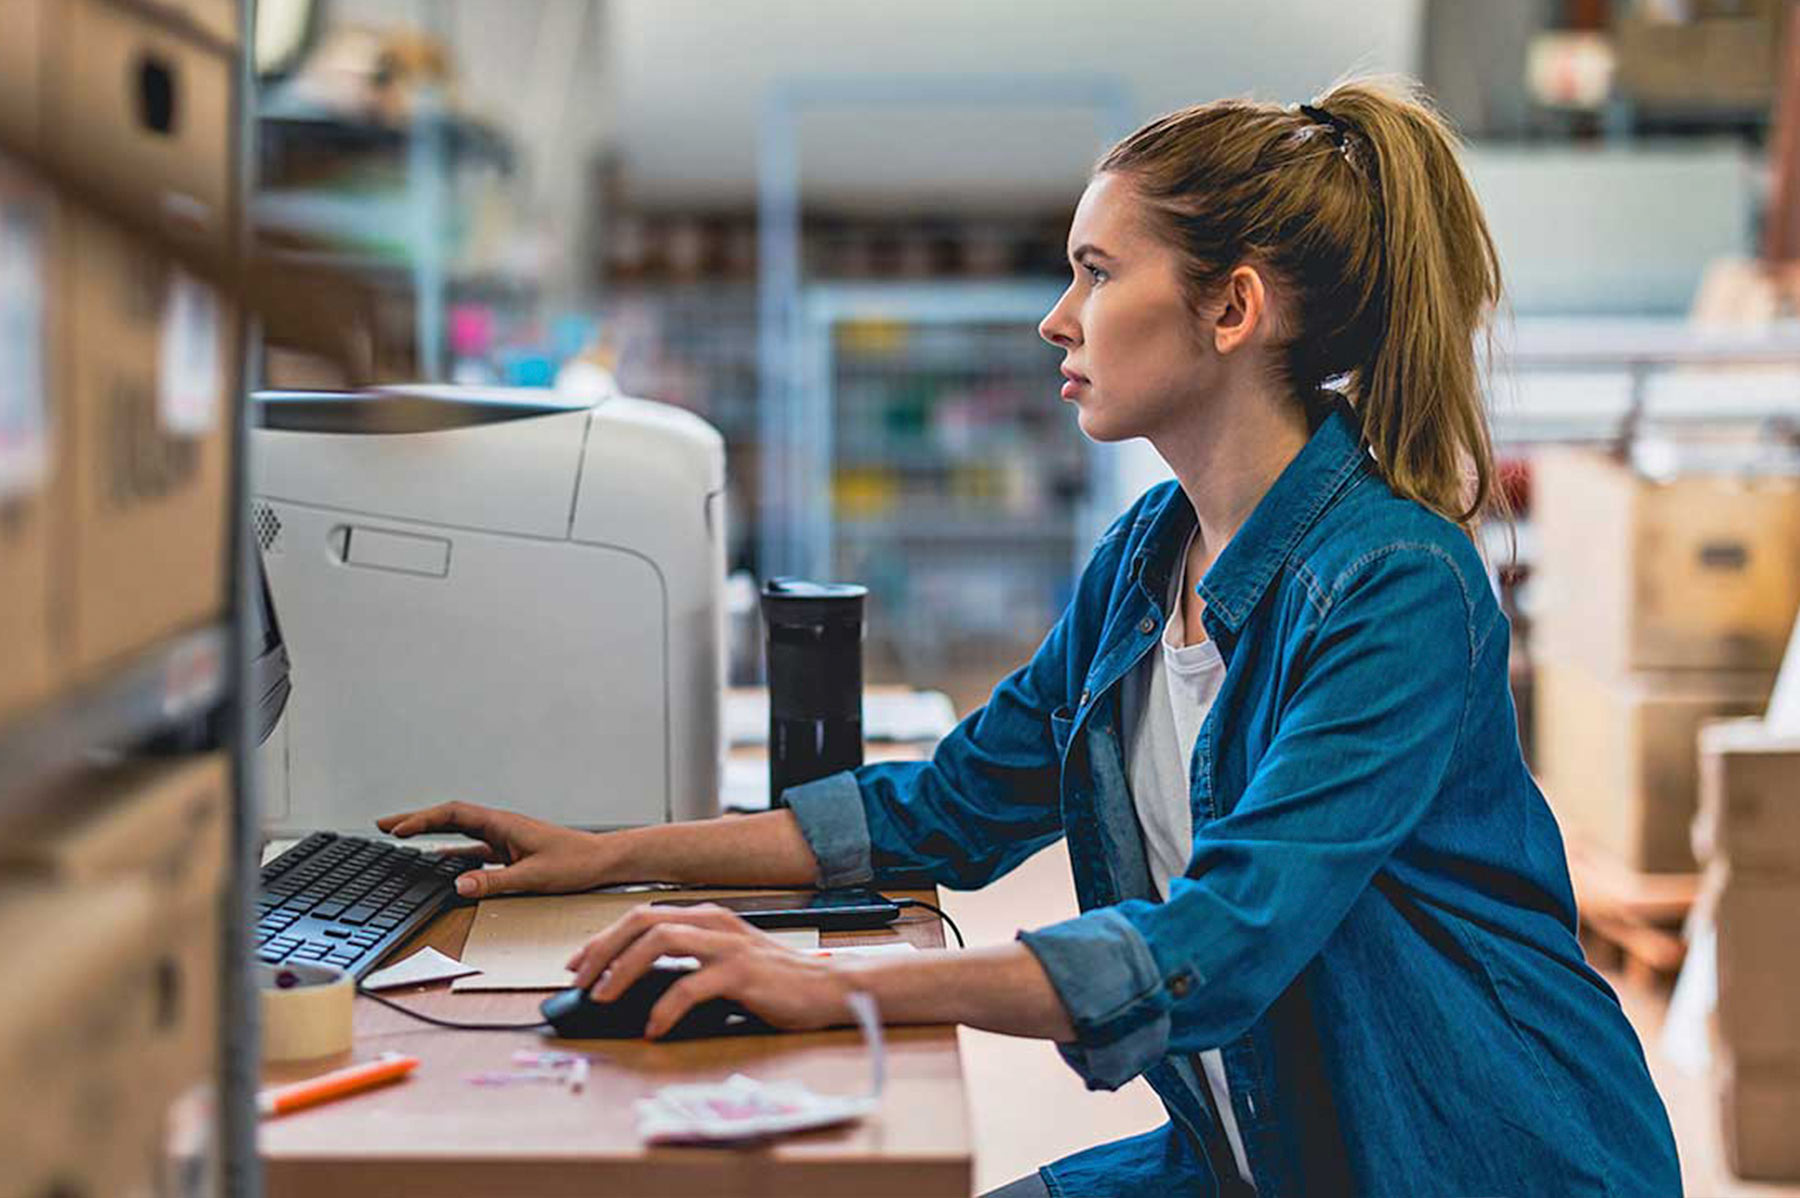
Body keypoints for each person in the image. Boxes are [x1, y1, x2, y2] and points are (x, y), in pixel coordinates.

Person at [381, 76, 1681, 1197]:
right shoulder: (1144, 564)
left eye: (1097, 273)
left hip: (1476, 1161)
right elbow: (944, 810)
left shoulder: (1395, 588)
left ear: (1232, 311)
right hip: (1269, 1154)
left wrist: (826, 985)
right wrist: (608, 854)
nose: (1058, 319)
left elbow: (1216, 945)